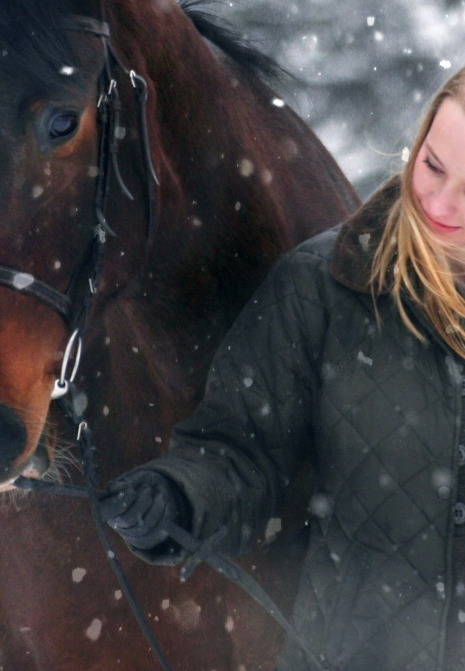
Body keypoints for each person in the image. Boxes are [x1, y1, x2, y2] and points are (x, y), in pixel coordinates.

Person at [100, 67, 465, 671]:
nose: (442, 203)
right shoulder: (324, 286)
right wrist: (179, 496)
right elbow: (241, 451)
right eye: (433, 165)